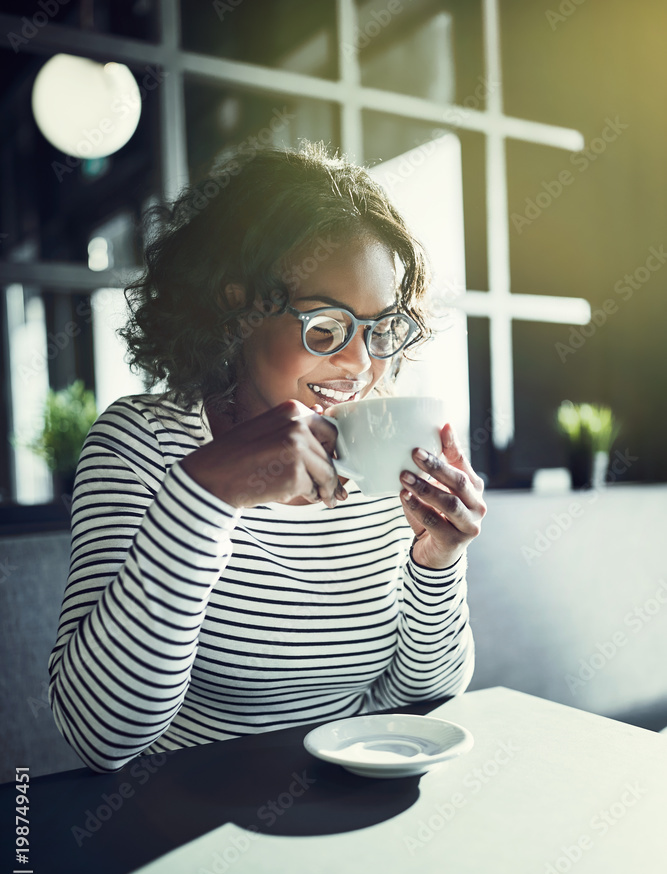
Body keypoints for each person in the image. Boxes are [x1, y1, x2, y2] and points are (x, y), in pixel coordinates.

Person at [48, 142, 487, 773]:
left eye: (382, 328)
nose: (362, 364)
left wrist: (436, 563)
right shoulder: (140, 445)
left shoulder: (384, 450)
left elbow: (414, 701)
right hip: (180, 825)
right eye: (326, 328)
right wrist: (204, 496)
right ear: (239, 308)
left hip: (348, 812)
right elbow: (100, 736)